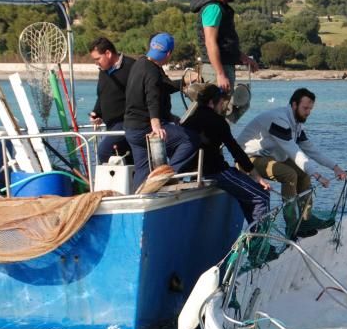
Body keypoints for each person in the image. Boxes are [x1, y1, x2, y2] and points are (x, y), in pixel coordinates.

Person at [237, 88, 347, 238]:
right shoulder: (279, 120)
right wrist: (316, 174)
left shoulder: (296, 124)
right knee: (289, 174)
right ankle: (292, 224)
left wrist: (336, 167)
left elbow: (311, 150)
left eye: (310, 109)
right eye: (305, 108)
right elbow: (293, 150)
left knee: (302, 172)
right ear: (294, 105)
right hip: (247, 159)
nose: (308, 112)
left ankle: (306, 219)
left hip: (270, 157)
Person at [183, 83, 271, 226]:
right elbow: (235, 149)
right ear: (212, 102)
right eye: (222, 103)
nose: (223, 107)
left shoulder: (190, 119)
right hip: (215, 171)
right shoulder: (217, 121)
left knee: (248, 195)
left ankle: (253, 237)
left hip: (195, 172)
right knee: (261, 196)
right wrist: (256, 176)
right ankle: (260, 244)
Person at [122, 33, 198, 192]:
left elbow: (163, 86)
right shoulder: (153, 71)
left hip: (131, 128)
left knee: (142, 169)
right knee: (190, 139)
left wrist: (185, 82)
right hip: (146, 127)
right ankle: (167, 177)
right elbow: (153, 96)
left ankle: (139, 200)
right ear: (169, 54)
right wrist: (155, 123)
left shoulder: (140, 64)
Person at [190, 0, 259, 94]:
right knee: (217, 110)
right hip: (215, 69)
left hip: (221, 67)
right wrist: (220, 74)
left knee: (228, 108)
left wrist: (242, 57)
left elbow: (224, 41)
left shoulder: (221, 8)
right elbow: (210, 42)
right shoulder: (213, 8)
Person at [87, 37, 135, 165]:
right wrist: (97, 113)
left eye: (98, 59)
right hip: (111, 125)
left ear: (108, 53)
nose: (96, 63)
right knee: (127, 159)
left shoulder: (131, 67)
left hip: (127, 122)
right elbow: (102, 95)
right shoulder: (103, 70)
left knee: (104, 151)